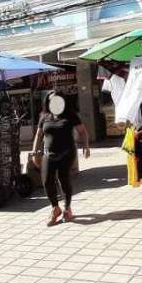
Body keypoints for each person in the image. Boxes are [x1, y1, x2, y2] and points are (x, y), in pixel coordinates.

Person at [32, 91, 90, 226]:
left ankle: (67, 208)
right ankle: (55, 208)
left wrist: (86, 146)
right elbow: (38, 135)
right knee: (47, 181)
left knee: (64, 180)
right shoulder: (44, 116)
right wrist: (35, 152)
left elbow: (82, 131)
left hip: (67, 153)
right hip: (48, 154)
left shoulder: (70, 114)